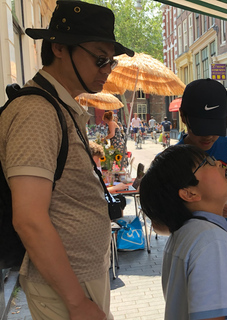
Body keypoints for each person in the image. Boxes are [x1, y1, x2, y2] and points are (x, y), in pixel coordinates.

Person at [0, 1, 134, 319]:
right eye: (100, 59)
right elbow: (29, 219)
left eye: (111, 63)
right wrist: (76, 301)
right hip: (67, 287)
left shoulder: (57, 106)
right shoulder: (37, 112)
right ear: (59, 48)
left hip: (77, 278)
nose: (107, 70)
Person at [139, 144, 227, 319]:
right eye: (207, 162)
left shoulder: (186, 234)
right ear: (190, 194)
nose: (219, 163)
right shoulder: (212, 242)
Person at [178, 78, 227, 249]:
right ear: (183, 116)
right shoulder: (171, 160)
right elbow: (160, 225)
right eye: (201, 127)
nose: (209, 136)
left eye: (215, 127)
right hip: (193, 247)